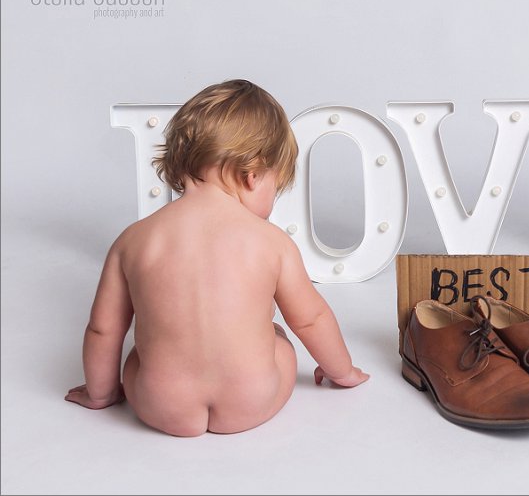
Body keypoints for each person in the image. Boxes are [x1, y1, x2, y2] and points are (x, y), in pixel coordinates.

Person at [65, 79, 369, 437]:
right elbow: (312, 319)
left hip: (159, 404)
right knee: (280, 340)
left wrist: (100, 394)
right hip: (252, 400)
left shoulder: (133, 240)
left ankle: (133, 386)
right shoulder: (271, 242)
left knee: (138, 354)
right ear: (253, 176)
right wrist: (342, 371)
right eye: (276, 186)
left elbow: (103, 329)